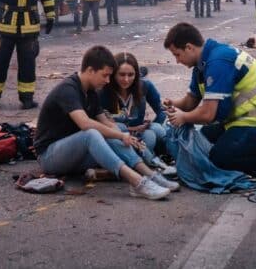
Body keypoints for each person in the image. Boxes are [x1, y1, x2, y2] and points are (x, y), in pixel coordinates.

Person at [162, 23, 256, 177]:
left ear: (189, 47)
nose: (177, 61)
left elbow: (208, 114)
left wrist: (183, 117)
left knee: (219, 159)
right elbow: (190, 102)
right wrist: (172, 105)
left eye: (177, 54)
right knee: (203, 139)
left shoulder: (217, 62)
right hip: (246, 120)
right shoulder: (203, 63)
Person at [35, 46, 176, 200]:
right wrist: (121, 136)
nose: (108, 80)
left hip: (75, 155)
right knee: (92, 134)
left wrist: (126, 137)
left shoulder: (91, 92)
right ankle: (137, 183)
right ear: (90, 70)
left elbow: (107, 122)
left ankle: (149, 174)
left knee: (116, 131)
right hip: (49, 156)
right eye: (105, 75)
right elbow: (85, 124)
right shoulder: (68, 89)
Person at [98, 52, 168, 168]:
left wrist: (152, 124)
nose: (126, 79)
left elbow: (161, 111)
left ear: (136, 75)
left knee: (156, 131)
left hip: (141, 134)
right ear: (113, 74)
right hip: (117, 136)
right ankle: (145, 161)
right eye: (121, 74)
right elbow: (101, 124)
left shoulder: (145, 86)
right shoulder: (103, 91)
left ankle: (140, 160)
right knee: (122, 130)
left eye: (131, 75)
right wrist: (131, 129)